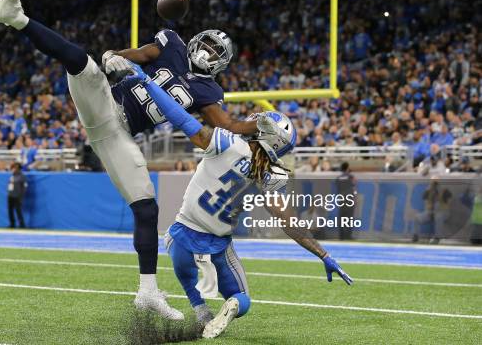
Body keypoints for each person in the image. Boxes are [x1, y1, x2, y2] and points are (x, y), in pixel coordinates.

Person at [0, 0, 259, 319]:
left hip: (119, 136)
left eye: (215, 53)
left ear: (221, 64)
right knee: (83, 63)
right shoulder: (171, 44)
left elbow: (229, 126)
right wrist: (113, 56)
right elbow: (133, 55)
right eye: (206, 45)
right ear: (194, 42)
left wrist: (263, 124)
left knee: (147, 207)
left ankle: (147, 292)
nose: (207, 54)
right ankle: (16, 17)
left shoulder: (209, 92)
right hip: (105, 102)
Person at [125, 63, 353, 338]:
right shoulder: (269, 175)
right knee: (242, 300)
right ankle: (226, 304)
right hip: (219, 246)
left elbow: (181, 118)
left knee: (176, 252)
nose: (254, 119)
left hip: (182, 236)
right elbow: (289, 224)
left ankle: (200, 309)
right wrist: (323, 255)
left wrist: (150, 84)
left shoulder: (227, 142)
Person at [336, 162, 357, 240]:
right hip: (349, 199)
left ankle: (341, 236)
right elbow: (354, 187)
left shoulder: (338, 178)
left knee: (341, 218)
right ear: (348, 168)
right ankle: (348, 236)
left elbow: (338, 188)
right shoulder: (351, 177)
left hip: (341, 200)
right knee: (349, 218)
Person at [8, 163, 27, 228]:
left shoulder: (22, 176)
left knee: (18, 211)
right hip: (10, 195)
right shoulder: (12, 176)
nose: (13, 169)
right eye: (12, 168)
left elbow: (24, 187)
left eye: (14, 168)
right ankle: (12, 224)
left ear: (18, 169)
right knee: (10, 211)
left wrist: (21, 196)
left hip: (17, 196)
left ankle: (22, 224)